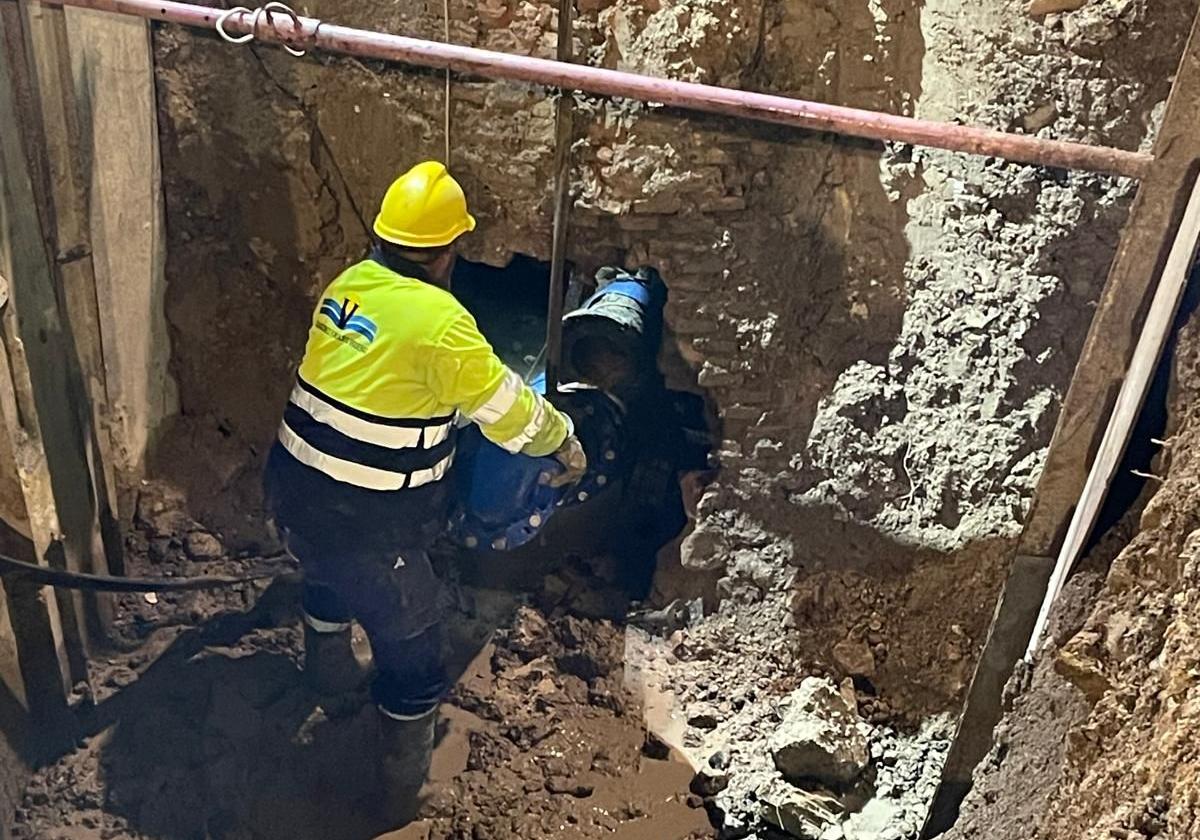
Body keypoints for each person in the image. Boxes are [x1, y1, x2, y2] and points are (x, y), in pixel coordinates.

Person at [263, 160, 587, 813]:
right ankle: (399, 785)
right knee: (414, 649)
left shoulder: (348, 285)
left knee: (326, 569)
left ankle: (325, 672)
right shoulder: (443, 325)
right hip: (371, 526)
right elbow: (510, 413)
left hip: (290, 493)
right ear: (446, 252)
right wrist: (564, 442)